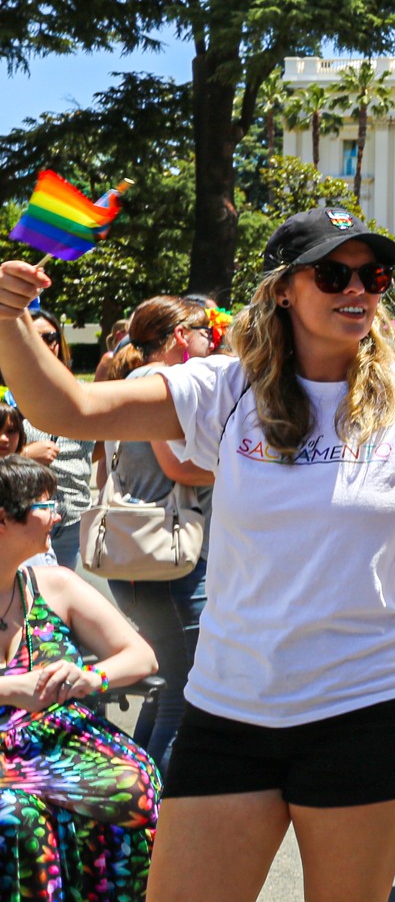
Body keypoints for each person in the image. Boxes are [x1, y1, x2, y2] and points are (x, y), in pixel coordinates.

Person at [0, 207, 395, 902]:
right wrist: (9, 315)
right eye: (334, 274)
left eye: (373, 275)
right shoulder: (224, 386)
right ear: (282, 290)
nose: (359, 290)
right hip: (230, 709)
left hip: (363, 707)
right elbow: (66, 407)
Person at [0, 453, 162, 902]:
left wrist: (88, 676)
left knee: (132, 786)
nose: (58, 515)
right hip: (9, 752)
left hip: (63, 741)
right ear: (3, 519)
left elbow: (142, 656)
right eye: (44, 505)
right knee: (17, 820)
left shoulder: (52, 584)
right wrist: (11, 690)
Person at [97, 296, 216, 768]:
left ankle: (140, 805)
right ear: (180, 338)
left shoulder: (130, 381)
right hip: (170, 561)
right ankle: (157, 822)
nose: (213, 337)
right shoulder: (161, 383)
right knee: (182, 701)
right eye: (203, 329)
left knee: (166, 692)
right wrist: (248, 466)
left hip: (139, 555)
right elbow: (179, 467)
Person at [20, 311, 95, 572]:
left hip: (73, 517)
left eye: (49, 337)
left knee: (61, 600)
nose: (44, 344)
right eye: (35, 336)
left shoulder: (78, 391)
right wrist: (25, 455)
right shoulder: (8, 393)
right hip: (22, 516)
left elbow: (96, 450)